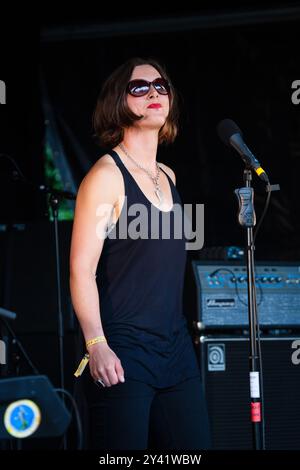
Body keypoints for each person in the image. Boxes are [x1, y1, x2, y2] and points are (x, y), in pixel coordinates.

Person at [70, 57, 211, 450]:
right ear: (119, 100)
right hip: (124, 352)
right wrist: (96, 345)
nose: (154, 92)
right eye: (140, 87)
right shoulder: (105, 177)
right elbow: (81, 271)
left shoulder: (168, 175)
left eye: (161, 86)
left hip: (176, 349)